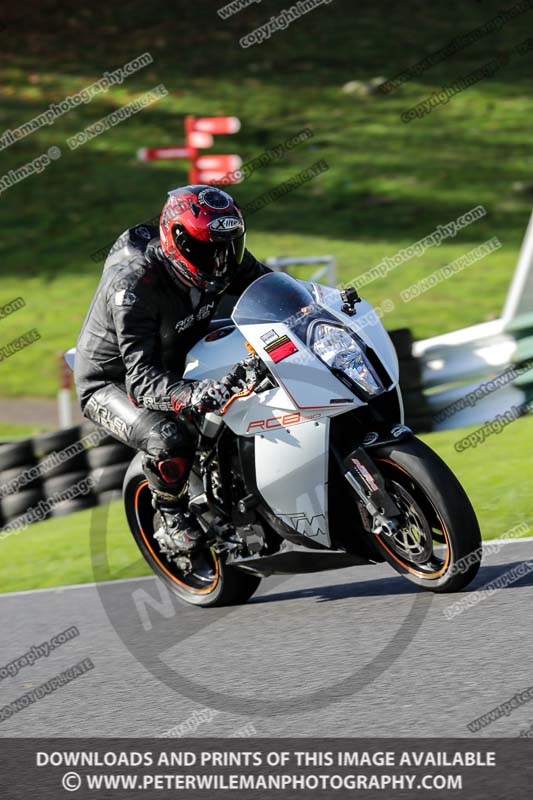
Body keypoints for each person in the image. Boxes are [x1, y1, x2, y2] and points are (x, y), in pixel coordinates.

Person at [74, 184, 270, 553]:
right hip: (114, 379)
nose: (220, 262)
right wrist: (193, 393)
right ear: (175, 241)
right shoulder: (133, 288)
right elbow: (143, 382)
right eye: (205, 250)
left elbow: (273, 291)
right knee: (168, 437)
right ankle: (171, 513)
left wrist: (315, 308)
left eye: (230, 247)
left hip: (178, 352)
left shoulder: (223, 256)